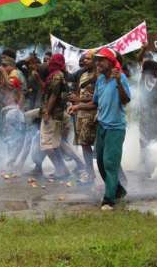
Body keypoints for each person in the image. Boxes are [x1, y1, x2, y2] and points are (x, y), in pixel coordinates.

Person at [70, 48, 131, 209]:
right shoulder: (100, 80)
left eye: (101, 60)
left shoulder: (120, 78)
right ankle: (117, 190)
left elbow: (125, 101)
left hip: (115, 128)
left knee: (110, 163)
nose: (98, 63)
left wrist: (118, 82)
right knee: (102, 164)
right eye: (96, 60)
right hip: (102, 126)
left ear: (110, 62)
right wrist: (77, 106)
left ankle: (108, 200)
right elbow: (94, 103)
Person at [39, 54, 70, 179]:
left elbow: (54, 95)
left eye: (52, 60)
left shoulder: (57, 75)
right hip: (56, 113)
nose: (50, 62)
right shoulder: (57, 75)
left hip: (52, 114)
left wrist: (47, 112)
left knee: (46, 144)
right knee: (55, 145)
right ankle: (63, 170)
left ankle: (60, 169)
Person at [70, 50, 98, 184]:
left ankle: (116, 177)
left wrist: (79, 100)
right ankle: (90, 173)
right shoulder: (83, 75)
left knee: (96, 146)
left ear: (95, 60)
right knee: (84, 144)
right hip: (81, 113)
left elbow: (98, 98)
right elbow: (80, 94)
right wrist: (76, 101)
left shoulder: (99, 76)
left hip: (92, 114)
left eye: (88, 59)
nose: (85, 61)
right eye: (84, 59)